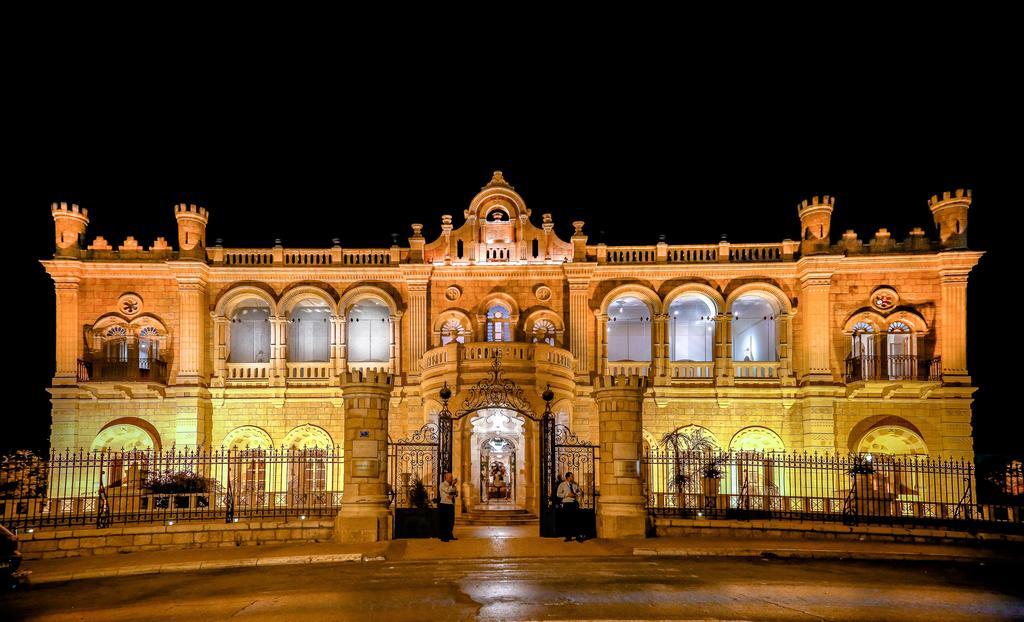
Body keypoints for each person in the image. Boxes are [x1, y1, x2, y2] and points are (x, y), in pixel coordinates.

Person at [556, 471, 585, 542]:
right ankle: (568, 537)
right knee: (567, 520)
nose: (572, 478)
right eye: (571, 476)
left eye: (572, 476)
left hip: (574, 504)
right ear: (567, 477)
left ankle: (578, 536)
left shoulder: (575, 485)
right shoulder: (562, 485)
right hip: (566, 504)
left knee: (575, 520)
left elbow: (580, 492)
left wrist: (576, 494)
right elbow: (558, 494)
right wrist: (567, 495)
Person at [438, 472, 458, 542]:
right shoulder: (442, 485)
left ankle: (450, 535)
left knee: (451, 521)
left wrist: (453, 495)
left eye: (452, 477)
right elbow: (448, 490)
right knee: (444, 521)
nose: (451, 478)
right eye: (450, 477)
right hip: (444, 504)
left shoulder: (452, 485)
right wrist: (452, 486)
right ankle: (443, 537)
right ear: (445, 478)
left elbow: (455, 493)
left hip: (451, 505)